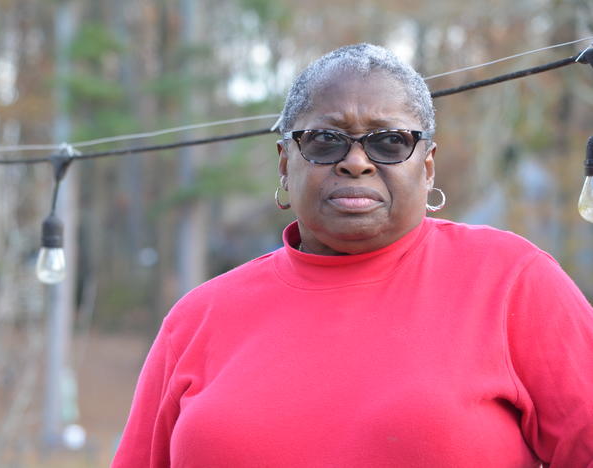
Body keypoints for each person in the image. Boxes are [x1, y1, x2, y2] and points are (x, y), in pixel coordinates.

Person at [111, 43, 593, 467]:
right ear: (285, 161)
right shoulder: (198, 318)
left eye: (389, 141)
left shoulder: (512, 281)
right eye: (325, 140)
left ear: (427, 167)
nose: (356, 161)